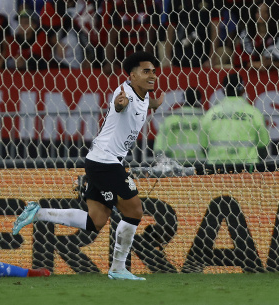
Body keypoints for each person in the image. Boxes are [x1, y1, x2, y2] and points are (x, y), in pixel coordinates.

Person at [13, 51, 165, 281]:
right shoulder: (124, 94)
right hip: (105, 162)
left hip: (99, 161)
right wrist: (119, 105)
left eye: (154, 71)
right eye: (146, 72)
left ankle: (38, 213)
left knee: (96, 220)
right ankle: (118, 268)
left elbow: (146, 102)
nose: (152, 75)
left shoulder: (144, 96)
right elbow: (120, 105)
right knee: (134, 211)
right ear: (132, 76)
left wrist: (155, 103)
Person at [200, 73, 270, 170]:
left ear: (223, 90)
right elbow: (263, 144)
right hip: (247, 166)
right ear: (243, 90)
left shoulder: (211, 113)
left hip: (217, 166)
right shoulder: (254, 113)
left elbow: (203, 145)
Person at [153, 87, 205, 165]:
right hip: (200, 164)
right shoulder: (204, 117)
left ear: (183, 100)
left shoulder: (170, 118)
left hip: (176, 164)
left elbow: (160, 146)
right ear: (200, 100)